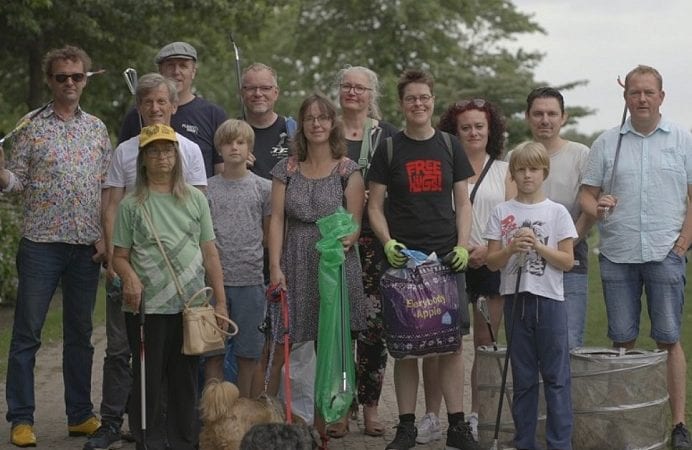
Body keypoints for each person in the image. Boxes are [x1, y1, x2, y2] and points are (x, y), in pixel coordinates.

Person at [84, 73, 207, 450]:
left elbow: (198, 213)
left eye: (161, 102)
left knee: (177, 361)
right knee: (127, 353)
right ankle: (124, 426)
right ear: (139, 107)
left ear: (173, 106)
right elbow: (112, 207)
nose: (155, 108)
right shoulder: (124, 151)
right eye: (148, 102)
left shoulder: (189, 150)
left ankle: (177, 432)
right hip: (132, 267)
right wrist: (114, 262)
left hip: (181, 284)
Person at [1, 45, 112, 447]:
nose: (69, 83)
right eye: (61, 77)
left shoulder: (97, 129)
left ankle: (80, 415)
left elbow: (106, 189)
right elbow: (17, 183)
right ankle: (21, 418)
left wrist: (105, 234)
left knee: (80, 335)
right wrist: (0, 175)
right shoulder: (29, 125)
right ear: (50, 80)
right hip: (41, 243)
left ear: (86, 79)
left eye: (76, 76)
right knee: (27, 333)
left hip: (85, 246)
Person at [580, 65, 691, 449]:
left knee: (669, 339)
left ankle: (678, 425)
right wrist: (598, 206)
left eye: (648, 92)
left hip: (665, 253)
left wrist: (683, 243)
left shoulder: (682, 140)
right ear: (625, 97)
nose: (641, 99)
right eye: (634, 93)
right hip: (618, 253)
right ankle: (622, 420)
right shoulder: (607, 143)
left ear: (662, 96)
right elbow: (586, 195)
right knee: (621, 342)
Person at [367, 69, 477, 450]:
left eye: (424, 97)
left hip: (446, 260)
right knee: (405, 348)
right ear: (402, 104)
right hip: (403, 264)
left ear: (433, 101)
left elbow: (463, 203)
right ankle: (407, 426)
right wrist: (387, 242)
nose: (418, 104)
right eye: (411, 98)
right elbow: (375, 206)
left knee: (451, 345)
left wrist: (462, 245)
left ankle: (458, 427)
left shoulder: (450, 145)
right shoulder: (389, 148)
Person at [111, 124, 228, 450]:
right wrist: (129, 276)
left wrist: (221, 302)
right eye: (153, 151)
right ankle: (148, 441)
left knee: (185, 380)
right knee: (147, 380)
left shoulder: (195, 200)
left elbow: (210, 252)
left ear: (177, 157)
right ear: (143, 159)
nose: (161, 156)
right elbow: (118, 256)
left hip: (189, 306)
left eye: (167, 150)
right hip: (147, 307)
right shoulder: (131, 204)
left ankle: (184, 442)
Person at [266, 93, 367, 443]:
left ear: (333, 123)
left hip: (334, 266)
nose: (317, 124)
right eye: (309, 118)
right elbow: (277, 219)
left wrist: (347, 241)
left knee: (334, 343)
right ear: (301, 125)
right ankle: (288, 417)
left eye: (323, 118)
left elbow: (354, 222)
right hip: (294, 259)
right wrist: (275, 266)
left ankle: (332, 415)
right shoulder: (286, 169)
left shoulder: (347, 170)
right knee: (291, 340)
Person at [485, 142, 577, 450]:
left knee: (556, 377)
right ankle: (524, 442)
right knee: (523, 377)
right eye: (521, 169)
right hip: (515, 299)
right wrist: (512, 248)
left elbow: (566, 261)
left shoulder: (557, 212)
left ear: (544, 173)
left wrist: (538, 246)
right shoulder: (502, 211)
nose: (527, 176)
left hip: (549, 301)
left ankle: (559, 443)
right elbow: (491, 261)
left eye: (533, 169)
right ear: (512, 173)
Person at [437, 98, 514, 441]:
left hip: (490, 261)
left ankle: (476, 415)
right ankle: (436, 415)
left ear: (490, 129)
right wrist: (462, 244)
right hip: (453, 260)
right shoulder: (443, 165)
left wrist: (488, 249)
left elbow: (512, 217)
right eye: (465, 126)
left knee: (485, 342)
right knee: (446, 342)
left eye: (479, 126)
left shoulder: (504, 169)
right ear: (455, 132)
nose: (473, 132)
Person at [327, 65, 398, 439]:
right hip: (333, 243)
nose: (353, 93)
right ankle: (341, 406)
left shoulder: (387, 136)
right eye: (347, 86)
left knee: (373, 331)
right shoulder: (326, 130)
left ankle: (370, 407)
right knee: (338, 328)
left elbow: (398, 187)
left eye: (361, 88)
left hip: (373, 245)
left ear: (372, 94)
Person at [512, 87, 593, 350]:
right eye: (538, 113)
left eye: (551, 114)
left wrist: (566, 244)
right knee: (530, 344)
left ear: (563, 117)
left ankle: (562, 392)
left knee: (567, 341)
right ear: (527, 117)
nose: (545, 120)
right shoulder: (516, 156)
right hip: (525, 257)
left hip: (571, 254)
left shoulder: (581, 154)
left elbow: (588, 208)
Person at [207, 119, 271, 398]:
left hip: (251, 282)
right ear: (219, 148)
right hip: (213, 283)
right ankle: (215, 417)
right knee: (212, 354)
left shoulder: (263, 188)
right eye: (228, 142)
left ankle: (245, 415)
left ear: (249, 149)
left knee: (250, 355)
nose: (234, 147)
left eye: (240, 142)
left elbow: (270, 236)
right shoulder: (206, 189)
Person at [119, 41, 227, 178]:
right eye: (170, 65)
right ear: (160, 71)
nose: (176, 72)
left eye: (183, 66)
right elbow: (122, 164)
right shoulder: (137, 115)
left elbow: (221, 171)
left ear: (193, 72)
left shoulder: (214, 115)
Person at [241, 63, 297, 180]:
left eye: (265, 88)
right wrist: (235, 165)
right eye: (251, 88)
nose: (258, 94)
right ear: (242, 93)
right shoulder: (231, 133)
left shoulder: (294, 130)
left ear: (276, 93)